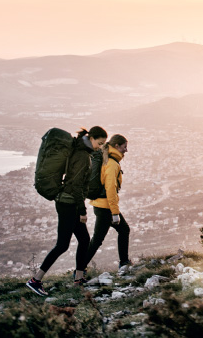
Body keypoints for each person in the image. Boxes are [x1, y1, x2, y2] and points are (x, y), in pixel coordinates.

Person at [26, 126, 108, 296]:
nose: (100, 147)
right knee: (62, 245)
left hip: (69, 202)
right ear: (91, 138)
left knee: (84, 239)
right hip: (68, 204)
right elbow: (76, 185)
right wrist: (82, 211)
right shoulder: (82, 156)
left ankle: (79, 279)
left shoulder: (81, 150)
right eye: (99, 143)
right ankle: (35, 280)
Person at [85, 134, 131, 273]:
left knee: (121, 231)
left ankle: (124, 262)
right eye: (124, 147)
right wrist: (115, 213)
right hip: (105, 207)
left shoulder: (106, 158)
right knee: (99, 239)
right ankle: (80, 268)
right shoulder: (111, 163)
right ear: (116, 146)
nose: (126, 150)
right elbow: (110, 188)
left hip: (101, 205)